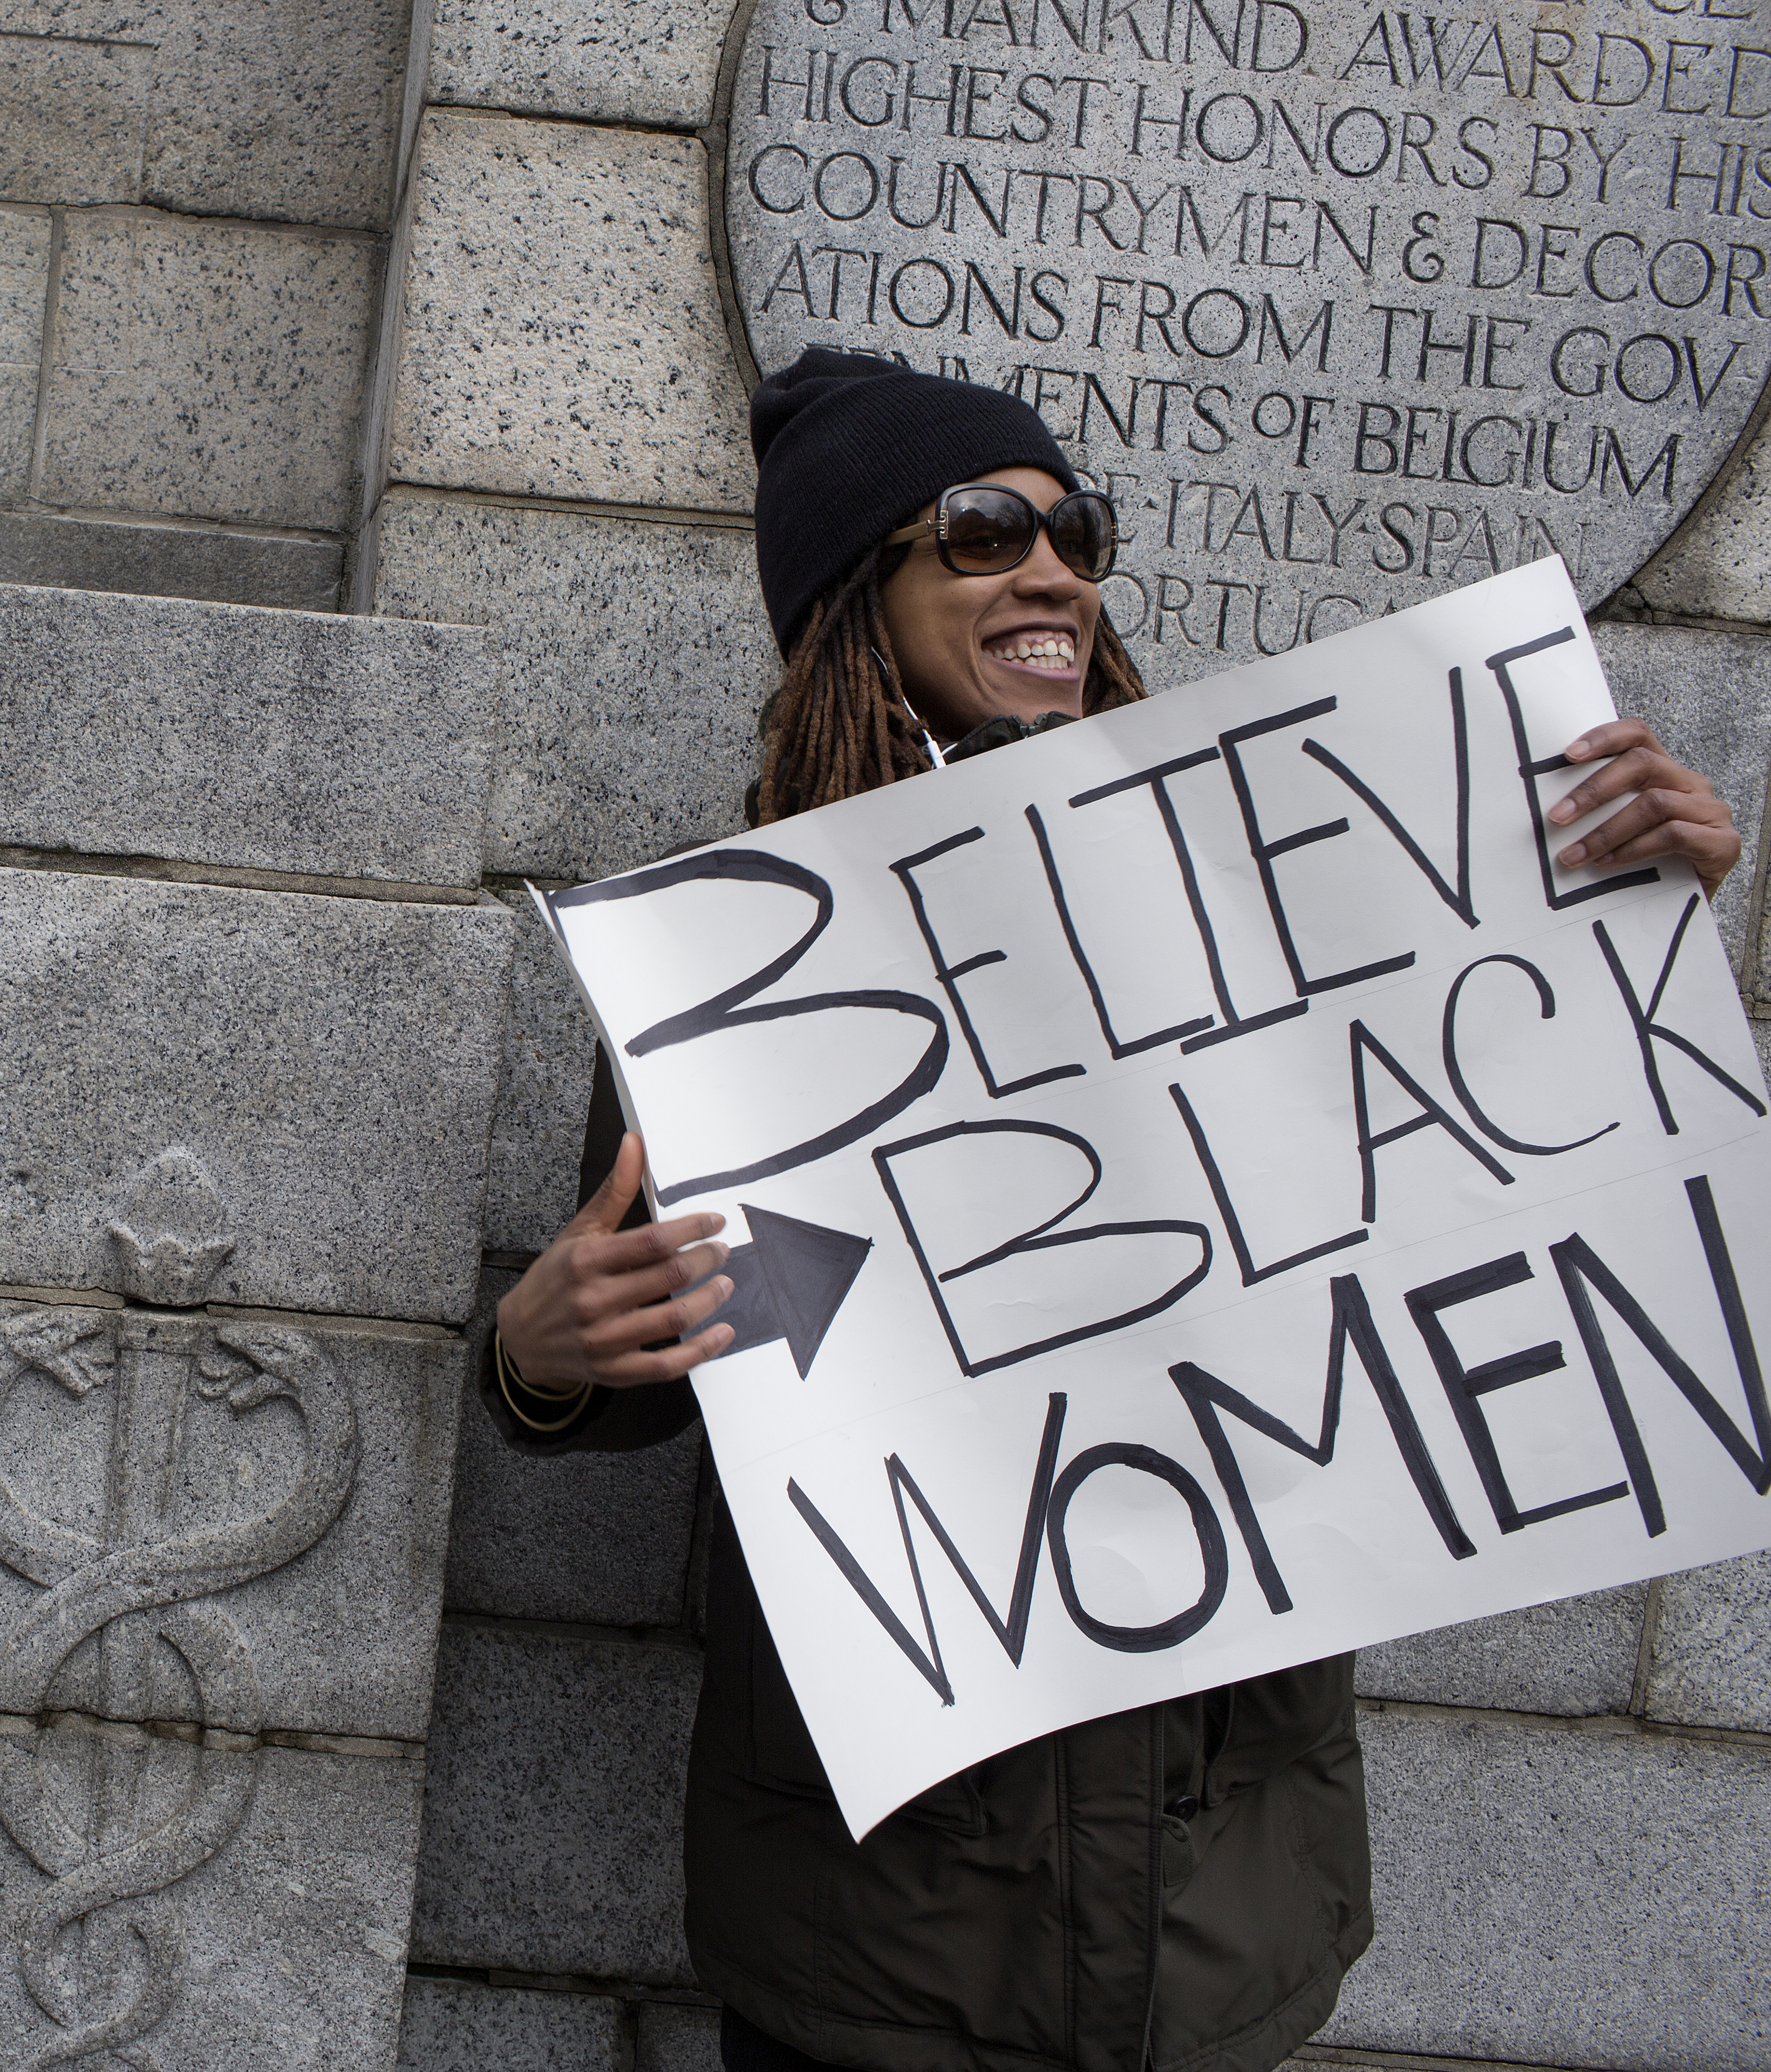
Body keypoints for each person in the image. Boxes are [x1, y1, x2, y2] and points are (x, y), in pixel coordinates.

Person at [484, 349, 1746, 2072]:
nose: (1057, 570)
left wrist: (1630, 933)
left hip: (1220, 1910)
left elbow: (1515, 1175)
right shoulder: (743, 989)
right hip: (884, 1949)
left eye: (1077, 530)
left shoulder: (1278, 910)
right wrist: (546, 1360)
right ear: (861, 602)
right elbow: (730, 1346)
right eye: (987, 533)